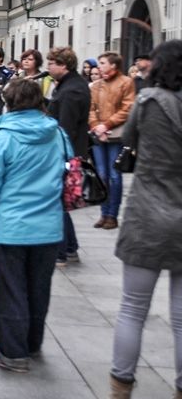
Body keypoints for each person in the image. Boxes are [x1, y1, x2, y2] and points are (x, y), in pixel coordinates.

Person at [0, 78, 67, 373]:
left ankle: (13, 352)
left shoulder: (1, 138)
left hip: (9, 228)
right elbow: (68, 168)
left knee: (11, 290)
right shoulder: (56, 133)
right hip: (48, 226)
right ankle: (32, 344)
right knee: (38, 289)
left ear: (7, 103)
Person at [108, 40, 182, 399]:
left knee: (133, 307)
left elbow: (130, 139)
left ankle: (121, 385)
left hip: (149, 210)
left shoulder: (149, 100)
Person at [46, 46, 90, 267]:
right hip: (69, 151)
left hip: (66, 153)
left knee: (56, 203)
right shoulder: (69, 84)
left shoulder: (72, 90)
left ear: (63, 65)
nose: (48, 67)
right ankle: (70, 248)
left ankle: (61, 252)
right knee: (60, 203)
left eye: (51, 63)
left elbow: (65, 128)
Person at [90, 52, 136, 230]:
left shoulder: (126, 82)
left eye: (102, 63)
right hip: (98, 134)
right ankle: (103, 212)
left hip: (115, 134)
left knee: (115, 176)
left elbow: (127, 108)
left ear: (113, 65)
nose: (99, 66)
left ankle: (112, 215)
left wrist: (107, 125)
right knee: (101, 175)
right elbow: (90, 108)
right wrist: (96, 126)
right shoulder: (96, 85)